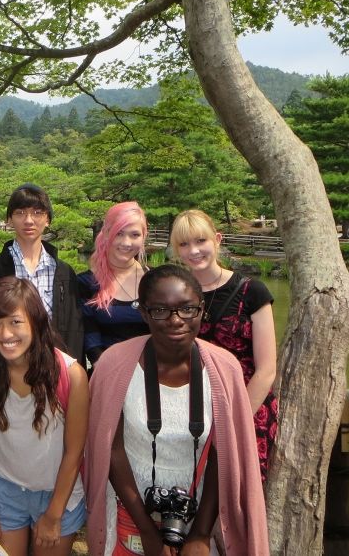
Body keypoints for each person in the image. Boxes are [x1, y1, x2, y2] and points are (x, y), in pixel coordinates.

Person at [86, 264, 268, 556]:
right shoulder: (115, 365)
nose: (175, 320)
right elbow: (111, 449)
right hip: (128, 505)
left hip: (201, 508)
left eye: (187, 309)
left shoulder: (223, 370)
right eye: (160, 310)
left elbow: (225, 455)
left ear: (202, 310)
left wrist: (199, 535)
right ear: (143, 313)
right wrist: (147, 529)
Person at [0, 277, 88, 556]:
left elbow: (75, 451)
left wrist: (54, 514)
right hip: (5, 490)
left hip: (57, 493)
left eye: (15, 322)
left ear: (36, 321)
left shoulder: (70, 374)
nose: (5, 334)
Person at [170, 209, 278, 480]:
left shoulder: (252, 291)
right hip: (192, 406)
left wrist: (234, 420)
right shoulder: (176, 293)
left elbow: (266, 369)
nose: (194, 250)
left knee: (240, 491)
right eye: (184, 244)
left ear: (217, 239)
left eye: (200, 241)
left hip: (245, 405)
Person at [0, 184, 83, 364]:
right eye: (20, 213)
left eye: (37, 213)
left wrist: (72, 371)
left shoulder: (64, 273)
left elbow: (75, 329)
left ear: (48, 219)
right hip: (5, 368)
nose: (29, 220)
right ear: (10, 220)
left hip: (54, 367)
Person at [78, 202, 150, 365]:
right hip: (106, 370)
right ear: (105, 233)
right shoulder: (86, 283)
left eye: (134, 235)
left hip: (152, 373)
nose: (126, 242)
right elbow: (90, 337)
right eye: (119, 233)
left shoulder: (154, 281)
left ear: (144, 237)